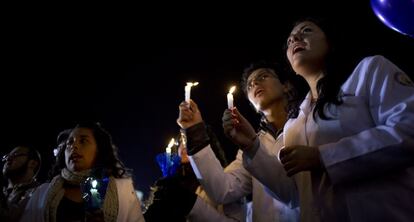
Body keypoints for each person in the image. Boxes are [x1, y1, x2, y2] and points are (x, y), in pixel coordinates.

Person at [274, 18, 414, 221]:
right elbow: (292, 195)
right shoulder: (292, 124)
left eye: (306, 30)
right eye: (289, 41)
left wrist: (324, 157)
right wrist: (251, 145)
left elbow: (409, 130)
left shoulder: (369, 71)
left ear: (330, 41)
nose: (295, 38)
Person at [178, 61, 305, 221]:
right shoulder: (252, 146)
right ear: (251, 102)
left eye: (263, 76)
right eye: (250, 85)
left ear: (285, 85)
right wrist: (194, 132)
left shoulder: (308, 125)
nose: (255, 83)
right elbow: (222, 190)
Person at [21, 122, 145, 222]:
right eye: (70, 142)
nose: (74, 146)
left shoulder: (122, 190)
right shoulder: (42, 193)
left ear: (99, 150)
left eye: (83, 141)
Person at [144, 131, 246, 222]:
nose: (184, 145)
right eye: (181, 140)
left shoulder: (227, 181)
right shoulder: (173, 181)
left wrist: (190, 204)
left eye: (189, 139)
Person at [1, 146, 41, 222]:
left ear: (32, 164)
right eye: (7, 156)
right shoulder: (4, 193)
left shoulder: (40, 193)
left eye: (15, 155)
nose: (8, 159)